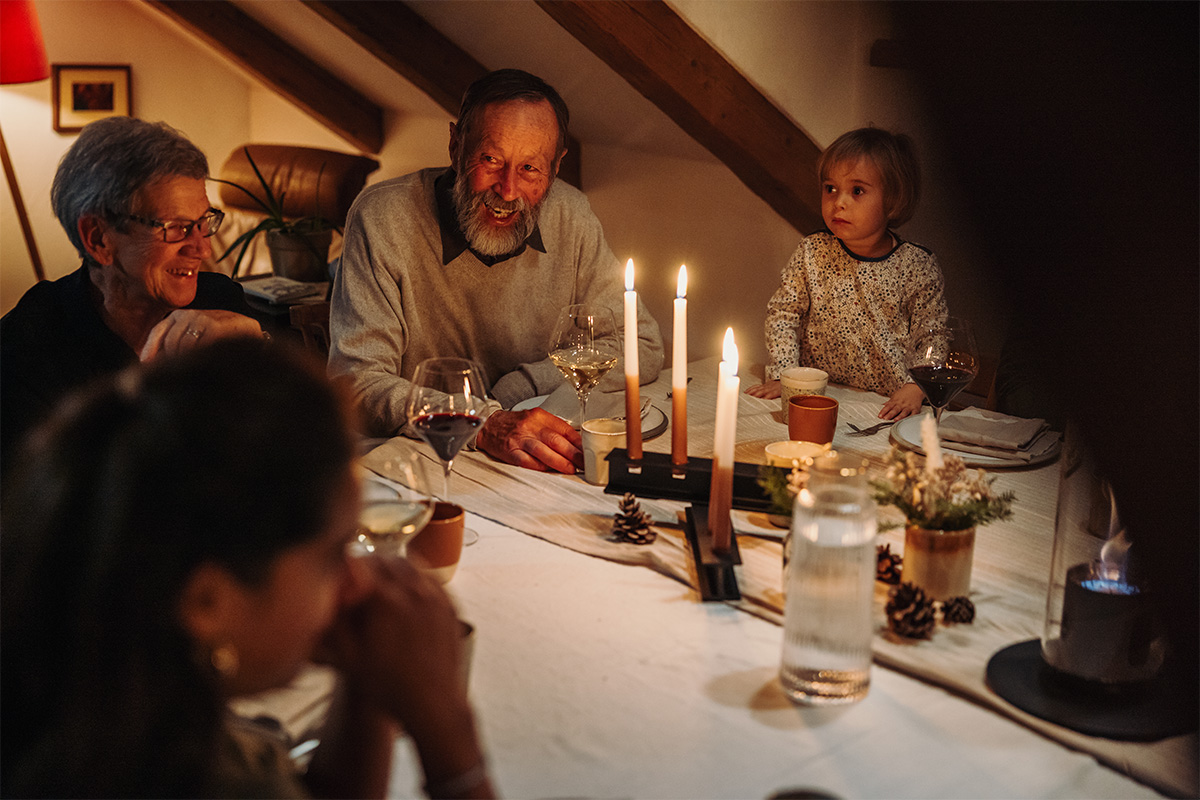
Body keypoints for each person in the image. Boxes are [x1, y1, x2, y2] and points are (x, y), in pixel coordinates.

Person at [1, 339, 494, 799]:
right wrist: (450, 739)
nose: (357, 582)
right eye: (333, 555)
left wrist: (369, 686)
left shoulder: (103, 707)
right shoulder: (183, 779)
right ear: (207, 602)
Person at [328, 69, 663, 473]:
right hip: (418, 461)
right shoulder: (383, 217)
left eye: (530, 168)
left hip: (528, 455)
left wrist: (523, 385)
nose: (507, 190)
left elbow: (641, 343)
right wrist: (483, 421)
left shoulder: (571, 214)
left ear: (556, 166)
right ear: (456, 146)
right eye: (490, 159)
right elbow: (356, 382)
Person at [0, 117, 265, 469]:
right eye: (176, 228)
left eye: (203, 223)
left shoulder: (221, 302)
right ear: (99, 239)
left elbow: (288, 452)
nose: (202, 249)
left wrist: (259, 352)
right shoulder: (26, 350)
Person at [747, 127, 947, 420]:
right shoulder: (812, 251)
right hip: (820, 395)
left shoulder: (917, 265)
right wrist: (784, 374)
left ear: (892, 200)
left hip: (888, 405)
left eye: (857, 191)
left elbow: (932, 334)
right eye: (830, 188)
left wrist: (917, 387)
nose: (838, 202)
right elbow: (782, 314)